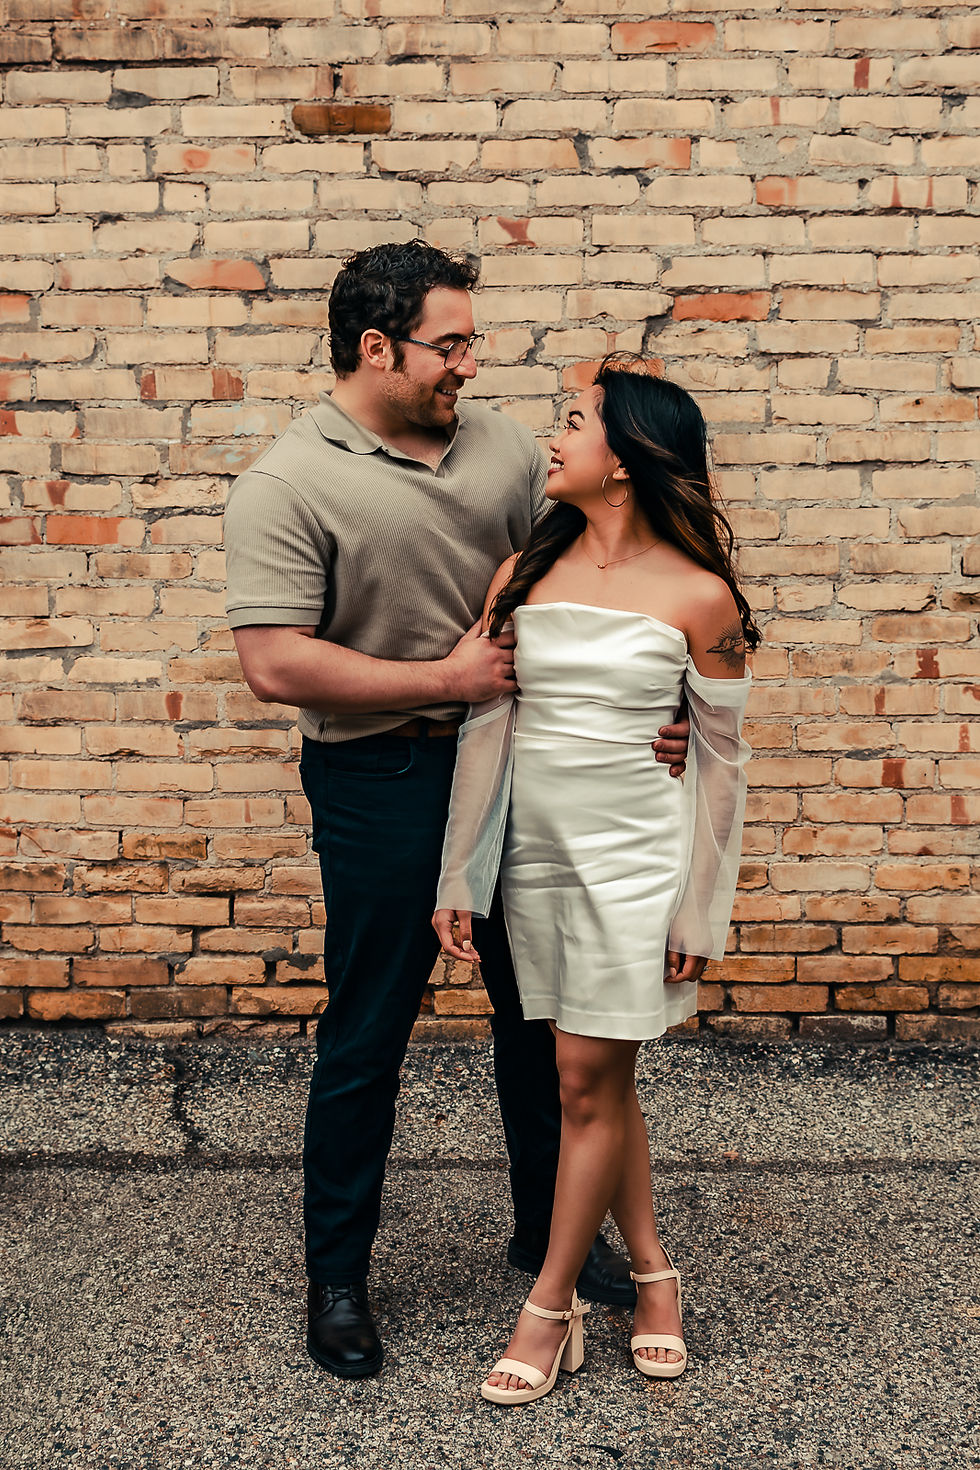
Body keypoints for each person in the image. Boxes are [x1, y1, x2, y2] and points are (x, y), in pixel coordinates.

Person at [223, 242, 691, 1379]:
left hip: (524, 766)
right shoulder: (287, 483)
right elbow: (275, 664)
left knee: (539, 1027)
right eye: (451, 344)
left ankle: (554, 1245)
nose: (468, 367)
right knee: (366, 1036)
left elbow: (601, 556)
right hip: (378, 780)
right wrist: (447, 679)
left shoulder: (499, 448)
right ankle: (335, 1279)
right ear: (376, 347)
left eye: (470, 342)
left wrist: (652, 704)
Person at [433, 354, 758, 1405]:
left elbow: (718, 768)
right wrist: (458, 877)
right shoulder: (520, 575)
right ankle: (656, 1280)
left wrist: (697, 907)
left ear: (623, 463)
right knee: (600, 1084)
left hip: (637, 861)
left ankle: (549, 1305)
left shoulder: (700, 596)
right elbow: (487, 732)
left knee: (579, 1082)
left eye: (572, 421)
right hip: (537, 860)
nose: (552, 438)